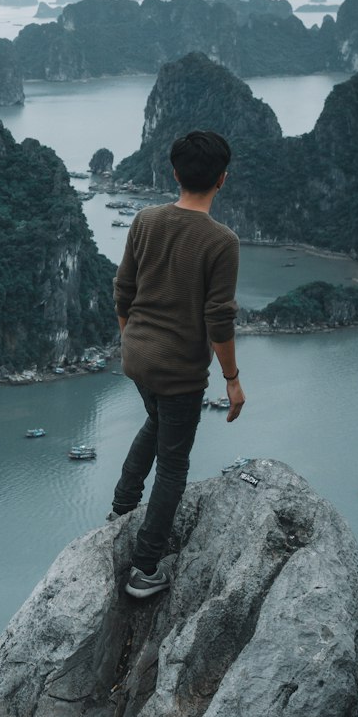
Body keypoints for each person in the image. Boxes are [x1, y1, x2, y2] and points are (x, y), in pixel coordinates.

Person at [109, 129, 245, 600]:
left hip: (137, 356)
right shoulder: (221, 241)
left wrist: (133, 339)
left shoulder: (146, 219)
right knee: (173, 465)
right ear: (222, 179)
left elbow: (123, 289)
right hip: (178, 371)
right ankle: (143, 569)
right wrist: (232, 380)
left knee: (155, 419)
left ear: (173, 173)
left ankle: (122, 507)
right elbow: (218, 319)